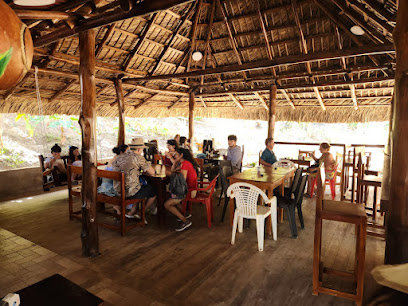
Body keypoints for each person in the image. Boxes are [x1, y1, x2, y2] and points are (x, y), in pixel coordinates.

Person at [112, 138, 157, 221]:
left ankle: (131, 212)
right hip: (129, 192)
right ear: (140, 149)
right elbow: (152, 172)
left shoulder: (119, 157)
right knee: (153, 190)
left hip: (117, 190)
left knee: (138, 186)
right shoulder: (138, 158)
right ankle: (141, 212)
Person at [164, 148, 198, 232]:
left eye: (175, 154)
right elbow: (173, 170)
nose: (174, 156)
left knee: (167, 204)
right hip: (187, 187)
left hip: (188, 190)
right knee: (167, 194)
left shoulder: (185, 164)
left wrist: (169, 174)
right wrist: (175, 162)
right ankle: (184, 213)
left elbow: (182, 180)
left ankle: (184, 220)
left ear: (181, 155)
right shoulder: (183, 163)